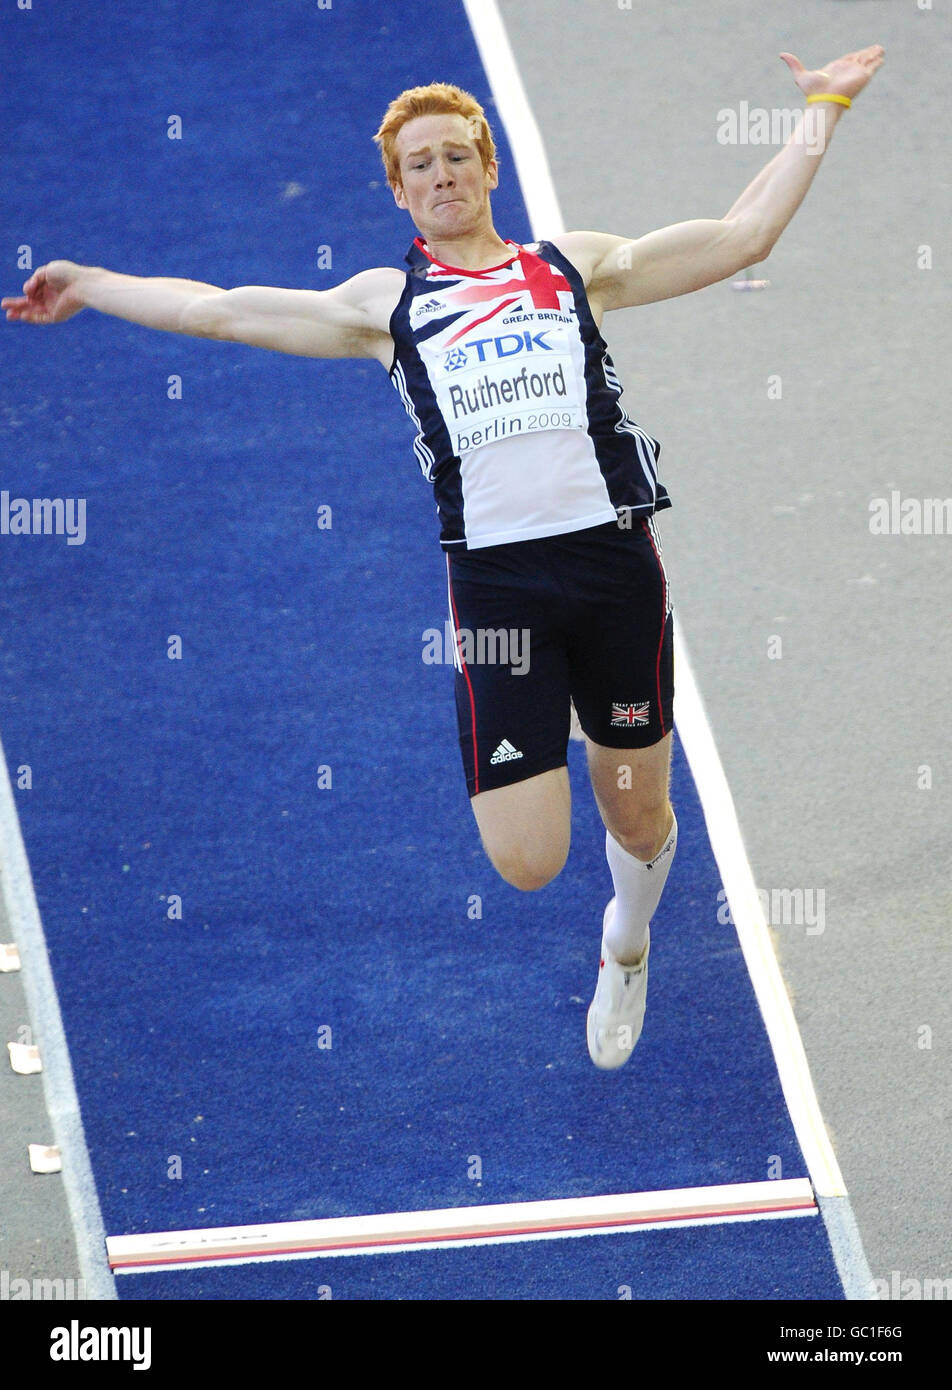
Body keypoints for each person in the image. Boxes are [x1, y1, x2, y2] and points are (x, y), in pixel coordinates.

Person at [3, 45, 884, 1069]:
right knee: (524, 860)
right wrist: (92, 283)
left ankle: (627, 942)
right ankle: (600, 883)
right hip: (499, 589)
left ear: (488, 168)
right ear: (397, 190)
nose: (441, 175)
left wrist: (824, 102)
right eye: (418, 165)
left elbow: (740, 238)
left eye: (456, 156)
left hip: (611, 573)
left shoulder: (572, 267)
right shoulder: (386, 308)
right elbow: (217, 307)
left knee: (638, 819)